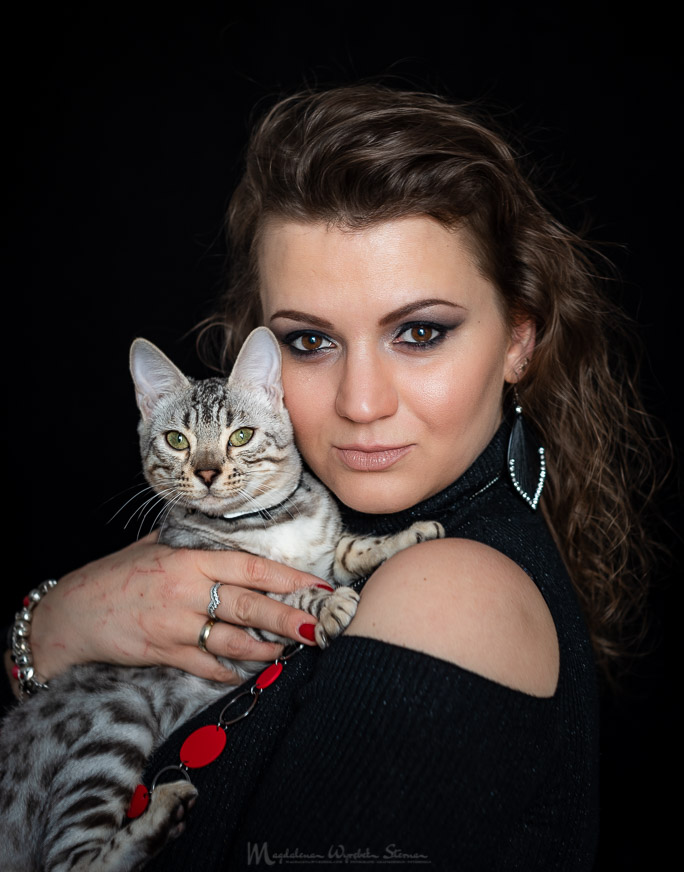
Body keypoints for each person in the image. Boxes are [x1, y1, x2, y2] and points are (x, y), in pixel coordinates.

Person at [4, 85, 659, 869]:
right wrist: (51, 632)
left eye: (420, 332)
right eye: (310, 342)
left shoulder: (452, 593)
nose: (361, 403)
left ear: (520, 338)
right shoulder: (287, 539)